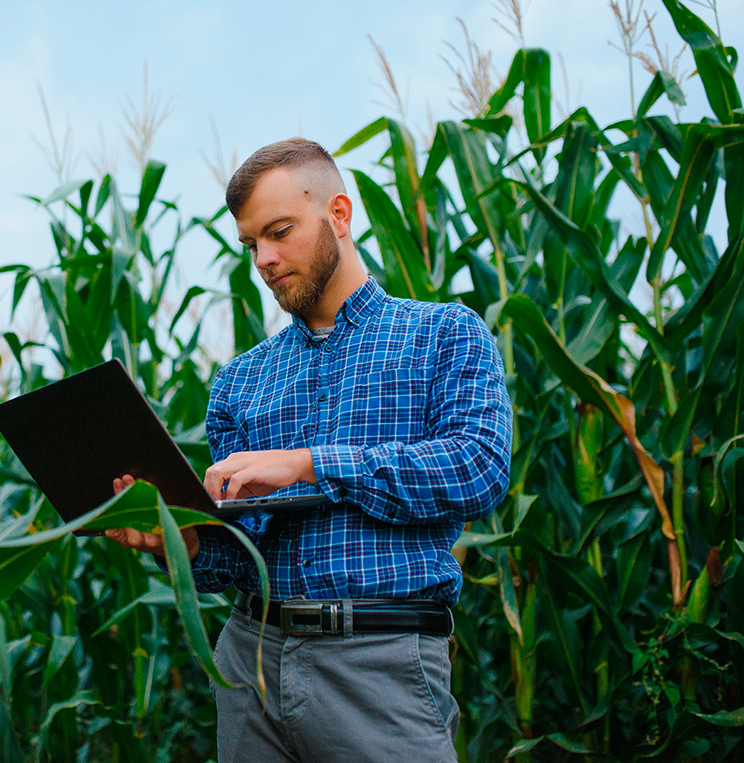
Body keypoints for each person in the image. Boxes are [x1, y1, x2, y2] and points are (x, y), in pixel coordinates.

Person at [106, 137, 512, 763]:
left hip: (379, 663)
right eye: (251, 244)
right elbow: (239, 556)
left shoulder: (444, 334)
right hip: (249, 662)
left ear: (339, 215)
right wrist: (179, 543)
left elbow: (477, 468)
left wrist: (309, 463)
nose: (264, 260)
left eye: (279, 232)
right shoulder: (241, 380)